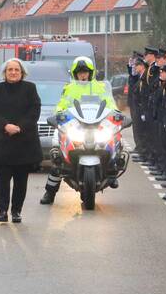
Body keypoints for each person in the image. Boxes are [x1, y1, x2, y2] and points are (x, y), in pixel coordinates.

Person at [41, 56, 116, 205]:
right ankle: (50, 192)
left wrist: (116, 113)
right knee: (58, 157)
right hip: (75, 125)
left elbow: (109, 102)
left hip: (96, 124)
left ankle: (111, 171)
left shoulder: (100, 87)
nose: (83, 75)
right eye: (80, 72)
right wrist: (58, 114)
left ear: (90, 73)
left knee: (112, 138)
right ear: (75, 74)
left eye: (85, 72)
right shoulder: (69, 88)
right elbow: (62, 104)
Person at [0, 59, 42, 223]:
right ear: (5, 73)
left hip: (24, 141)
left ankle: (16, 211)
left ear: (22, 72)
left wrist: (19, 127)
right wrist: (5, 125)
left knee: (21, 180)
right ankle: (2, 211)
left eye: (16, 70)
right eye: (10, 69)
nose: (13, 72)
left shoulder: (30, 88)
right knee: (2, 179)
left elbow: (34, 110)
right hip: (3, 140)